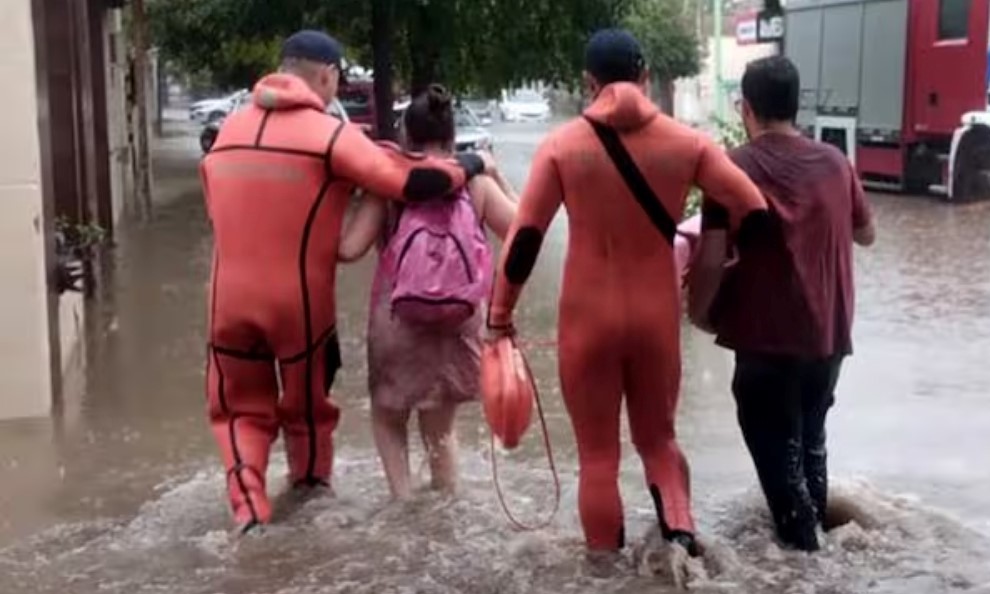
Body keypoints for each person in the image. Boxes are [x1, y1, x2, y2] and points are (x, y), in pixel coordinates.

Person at [487, 29, 768, 560]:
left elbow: (525, 238)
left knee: (598, 457)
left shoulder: (562, 147)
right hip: (655, 318)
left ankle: (604, 582)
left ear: (589, 84)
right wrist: (729, 268)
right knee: (659, 443)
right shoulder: (689, 144)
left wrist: (499, 317)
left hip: (586, 320)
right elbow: (753, 209)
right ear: (644, 77)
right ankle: (682, 549)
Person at [201, 30, 488, 534]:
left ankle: (247, 512)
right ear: (327, 76)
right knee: (306, 410)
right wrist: (475, 162)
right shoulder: (329, 135)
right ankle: (310, 492)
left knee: (238, 412)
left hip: (226, 301)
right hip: (298, 303)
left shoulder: (227, 131)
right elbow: (415, 183)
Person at [700, 55, 875, 552]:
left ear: (744, 108)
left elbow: (711, 259)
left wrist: (698, 311)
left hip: (765, 342)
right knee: (810, 444)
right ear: (796, 106)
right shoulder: (836, 164)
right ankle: (823, 563)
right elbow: (868, 234)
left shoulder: (729, 167)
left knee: (780, 462)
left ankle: (807, 578)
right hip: (828, 341)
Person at [338, 85, 518, 500]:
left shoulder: (388, 186)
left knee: (388, 416)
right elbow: (523, 230)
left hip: (398, 319)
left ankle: (402, 502)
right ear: (453, 139)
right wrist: (493, 172)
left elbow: (348, 250)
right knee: (440, 428)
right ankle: (445, 505)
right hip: (459, 318)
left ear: (405, 138)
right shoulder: (474, 186)